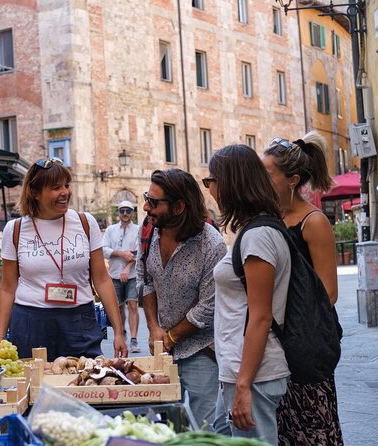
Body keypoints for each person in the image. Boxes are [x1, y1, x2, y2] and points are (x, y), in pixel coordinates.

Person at [0, 158, 127, 361]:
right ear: (35, 192)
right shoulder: (15, 229)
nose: (65, 192)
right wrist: (0, 338)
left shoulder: (85, 222)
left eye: (66, 185)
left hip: (79, 320)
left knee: (85, 385)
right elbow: (7, 288)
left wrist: (119, 331)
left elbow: (102, 279)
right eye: (56, 188)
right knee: (35, 387)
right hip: (31, 323)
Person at [206, 145, 291, 445]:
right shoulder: (252, 231)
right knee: (221, 434)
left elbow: (261, 316)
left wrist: (243, 385)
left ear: (230, 182)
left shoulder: (258, 236)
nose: (209, 189)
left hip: (254, 373)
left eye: (210, 181)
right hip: (240, 368)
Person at [262, 132, 344, 446]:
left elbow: (329, 292)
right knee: (283, 427)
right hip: (274, 341)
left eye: (267, 174)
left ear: (292, 179)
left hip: (306, 343)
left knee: (314, 424)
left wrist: (286, 320)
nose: (261, 179)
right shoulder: (268, 218)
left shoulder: (314, 221)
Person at [137, 169, 227, 430]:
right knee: (165, 426)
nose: (146, 207)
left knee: (203, 429)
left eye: (154, 202)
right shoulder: (148, 231)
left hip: (201, 351)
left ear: (178, 207)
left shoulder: (211, 244)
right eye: (146, 198)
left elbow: (208, 307)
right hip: (162, 350)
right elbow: (146, 280)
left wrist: (171, 336)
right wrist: (154, 328)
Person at [102, 200, 141, 352]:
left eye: (128, 211)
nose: (125, 214)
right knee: (118, 308)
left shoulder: (138, 230)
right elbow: (103, 249)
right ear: (118, 213)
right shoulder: (111, 230)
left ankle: (134, 339)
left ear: (132, 213)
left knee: (132, 304)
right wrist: (120, 253)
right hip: (114, 274)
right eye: (122, 211)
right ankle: (121, 332)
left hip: (131, 275)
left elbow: (139, 253)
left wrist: (127, 267)